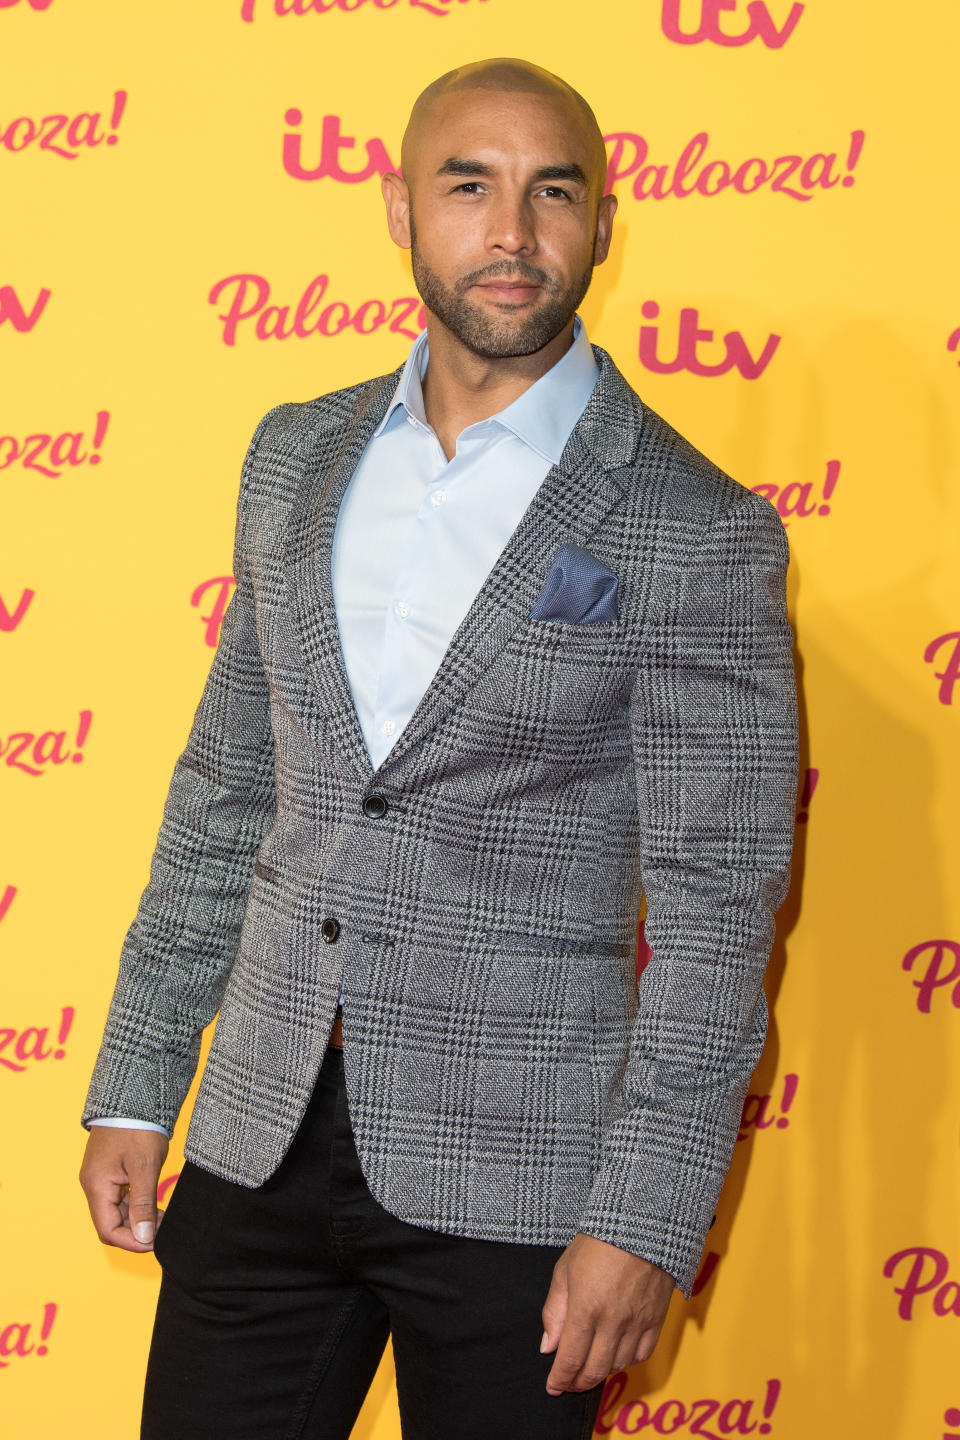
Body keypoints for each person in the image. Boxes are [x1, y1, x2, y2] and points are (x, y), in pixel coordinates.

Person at [79, 57, 799, 1440]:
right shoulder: (293, 456)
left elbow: (717, 918)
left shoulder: (697, 526)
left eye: (554, 194)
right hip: (259, 1133)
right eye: (469, 187)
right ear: (402, 211)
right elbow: (228, 788)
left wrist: (647, 1217)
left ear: (604, 221)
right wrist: (135, 1076)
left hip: (527, 1183)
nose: (513, 235)